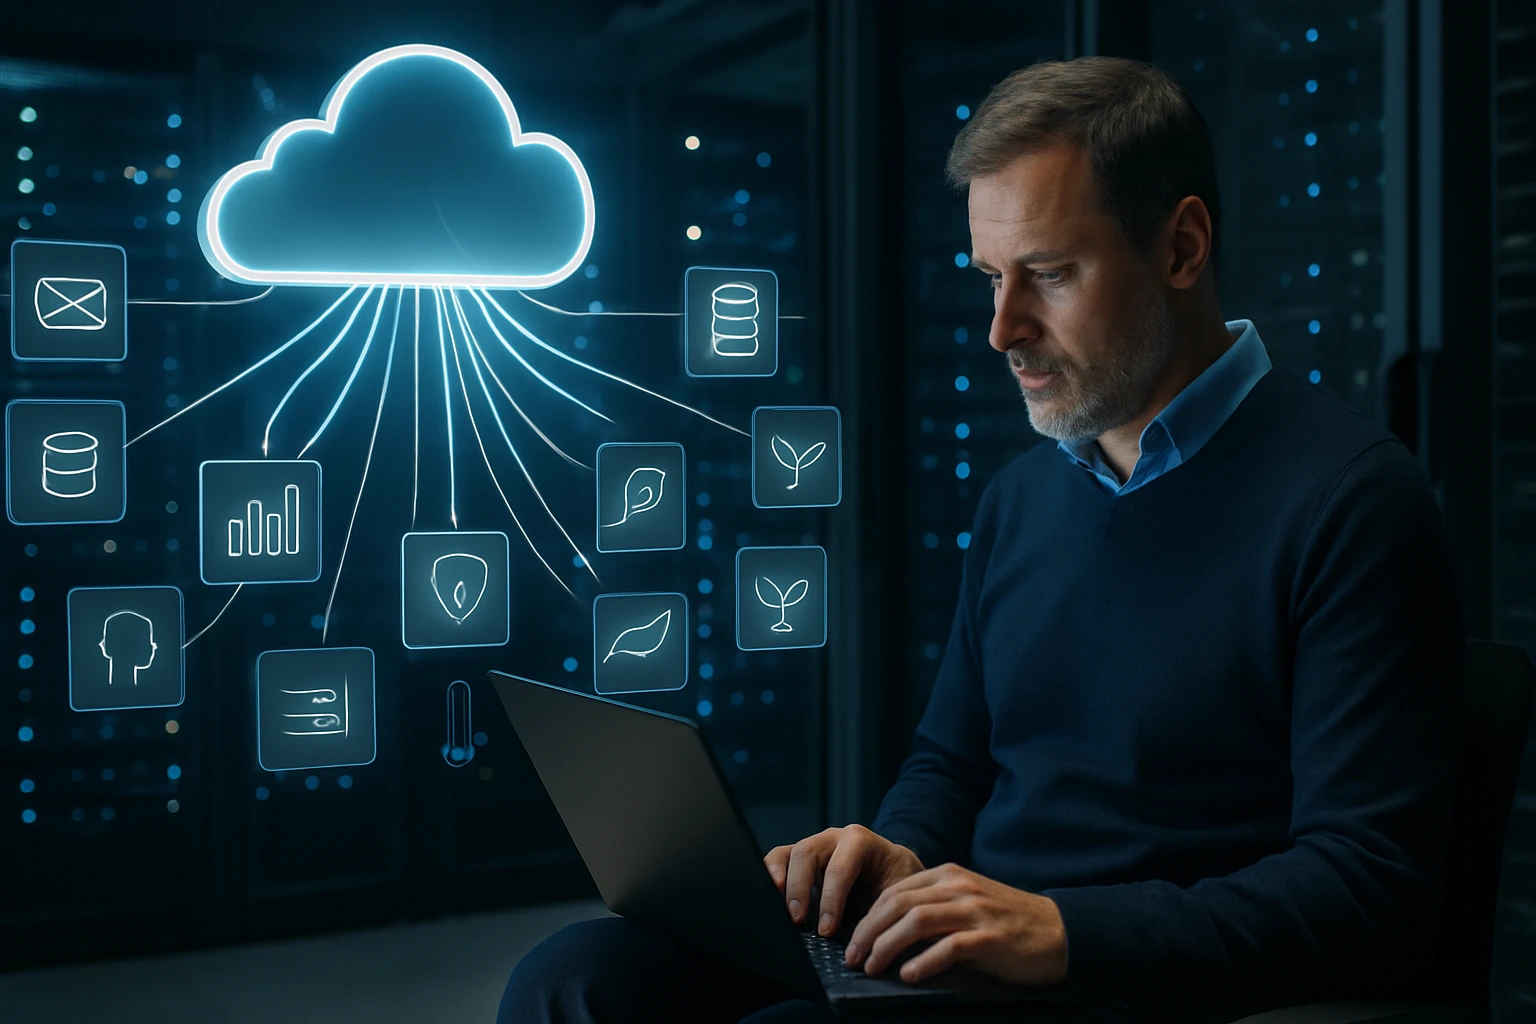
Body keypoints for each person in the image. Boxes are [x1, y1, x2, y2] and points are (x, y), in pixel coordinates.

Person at [499, 55, 1463, 1024]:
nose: (1002, 329)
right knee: (575, 978)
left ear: (1182, 247)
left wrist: (1062, 930)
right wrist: (901, 850)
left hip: (1127, 980)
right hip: (970, 944)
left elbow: (1370, 887)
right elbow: (949, 761)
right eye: (991, 278)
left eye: (1047, 274)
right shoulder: (1020, 499)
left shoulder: (1353, 499)